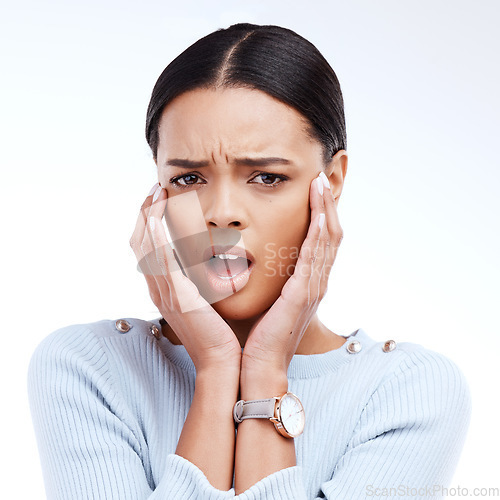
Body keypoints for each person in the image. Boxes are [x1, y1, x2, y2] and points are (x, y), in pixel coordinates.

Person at [27, 22, 471, 499]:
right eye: (189, 179)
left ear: (332, 181)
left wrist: (265, 372)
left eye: (264, 177)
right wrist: (217, 370)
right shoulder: (89, 369)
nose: (220, 214)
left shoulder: (410, 393)